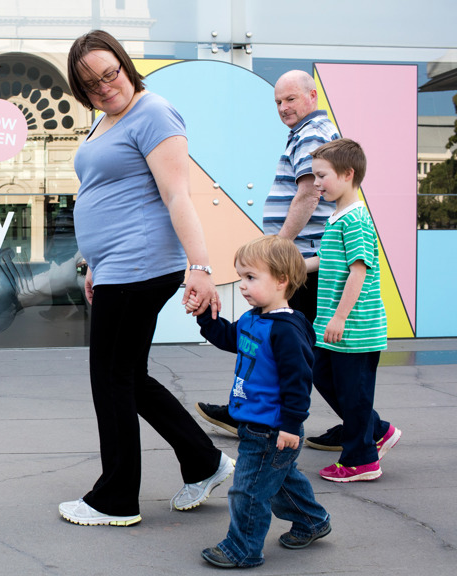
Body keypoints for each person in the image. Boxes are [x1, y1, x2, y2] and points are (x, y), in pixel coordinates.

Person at [57, 29, 234, 528]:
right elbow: (104, 192)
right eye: (91, 83)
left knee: (109, 378)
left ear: (124, 63)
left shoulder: (153, 112)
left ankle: (115, 498)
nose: (105, 86)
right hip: (116, 267)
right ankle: (205, 461)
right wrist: (93, 262)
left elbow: (179, 196)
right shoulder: (105, 120)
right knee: (129, 377)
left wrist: (199, 267)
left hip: (141, 266)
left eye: (110, 72)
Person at [195, 70, 345, 450]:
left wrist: (278, 252)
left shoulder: (312, 134)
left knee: (298, 351)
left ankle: (369, 426)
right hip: (298, 261)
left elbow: (309, 195)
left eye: (290, 99)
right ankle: (244, 408)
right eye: (278, 102)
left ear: (312, 96)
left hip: (302, 264)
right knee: (269, 338)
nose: (283, 107)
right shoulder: (306, 133)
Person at [188, 235, 331, 568]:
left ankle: (243, 548)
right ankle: (312, 521)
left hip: (272, 430)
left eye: (251, 278)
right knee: (281, 483)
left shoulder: (287, 330)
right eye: (241, 277)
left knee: (248, 492)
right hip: (253, 423)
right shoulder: (256, 318)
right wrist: (205, 318)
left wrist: (291, 425)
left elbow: (298, 384)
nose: (242, 285)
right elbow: (229, 338)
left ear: (281, 281)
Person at [305, 138, 401, 482]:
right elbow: (332, 260)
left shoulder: (356, 219)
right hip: (337, 326)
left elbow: (359, 271)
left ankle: (362, 460)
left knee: (353, 393)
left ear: (347, 174)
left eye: (322, 176)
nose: (316, 183)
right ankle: (377, 430)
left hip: (354, 327)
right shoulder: (337, 216)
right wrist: (297, 267)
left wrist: (340, 316)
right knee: (324, 377)